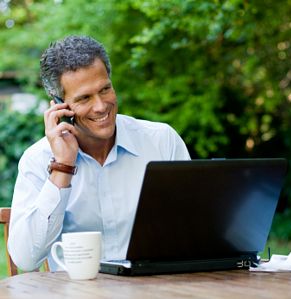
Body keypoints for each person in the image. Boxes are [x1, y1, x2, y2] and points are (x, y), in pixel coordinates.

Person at [8, 35, 190, 271]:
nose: (101, 106)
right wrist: (63, 166)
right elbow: (25, 259)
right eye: (84, 98)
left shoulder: (161, 141)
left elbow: (192, 228)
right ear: (59, 105)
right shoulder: (37, 160)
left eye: (105, 89)